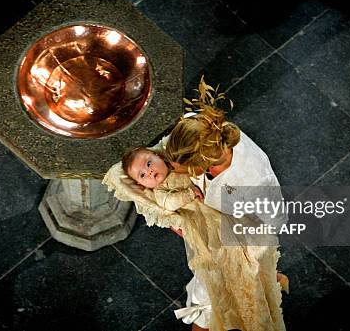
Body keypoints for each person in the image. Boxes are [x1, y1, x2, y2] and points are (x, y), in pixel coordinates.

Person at [154, 76, 289, 330]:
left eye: (175, 166)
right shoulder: (200, 129)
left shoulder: (254, 181)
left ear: (203, 163)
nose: (168, 168)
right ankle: (272, 280)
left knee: (208, 299)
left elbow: (266, 228)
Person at [105, 145, 286, 331]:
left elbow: (198, 173)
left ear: (160, 157)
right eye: (142, 175)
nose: (150, 172)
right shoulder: (161, 191)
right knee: (216, 267)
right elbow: (169, 203)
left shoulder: (179, 167)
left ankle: (264, 277)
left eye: (149, 163)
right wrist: (189, 193)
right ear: (142, 186)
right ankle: (225, 301)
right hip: (201, 224)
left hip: (216, 212)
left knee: (244, 247)